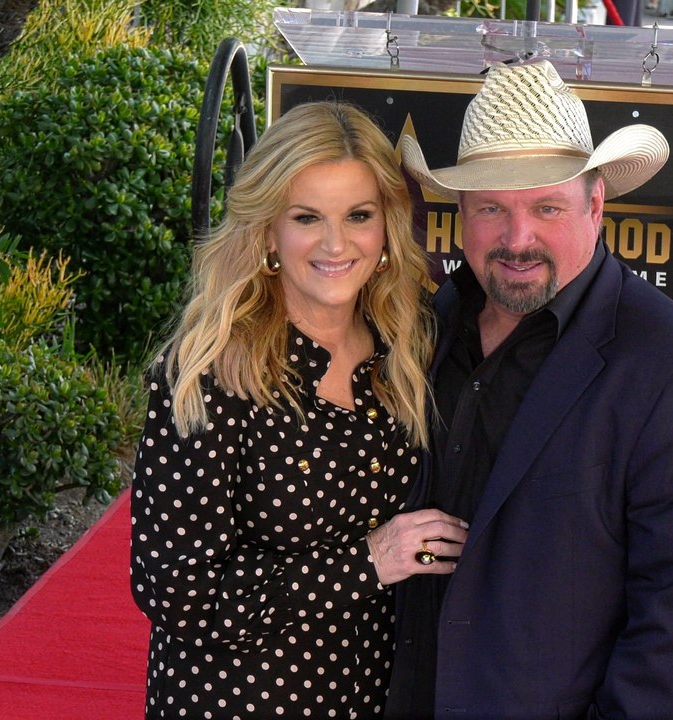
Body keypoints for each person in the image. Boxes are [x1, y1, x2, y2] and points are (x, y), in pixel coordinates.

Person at [389, 60, 673, 719]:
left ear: (595, 205)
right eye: (491, 208)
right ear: (461, 213)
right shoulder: (425, 330)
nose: (518, 239)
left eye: (547, 207)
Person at [129, 101, 469, 719]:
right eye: (307, 217)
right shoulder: (210, 373)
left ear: (386, 227)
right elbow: (176, 592)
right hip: (237, 700)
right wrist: (369, 561)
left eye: (358, 215)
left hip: (374, 694)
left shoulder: (410, 347)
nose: (336, 243)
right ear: (268, 232)